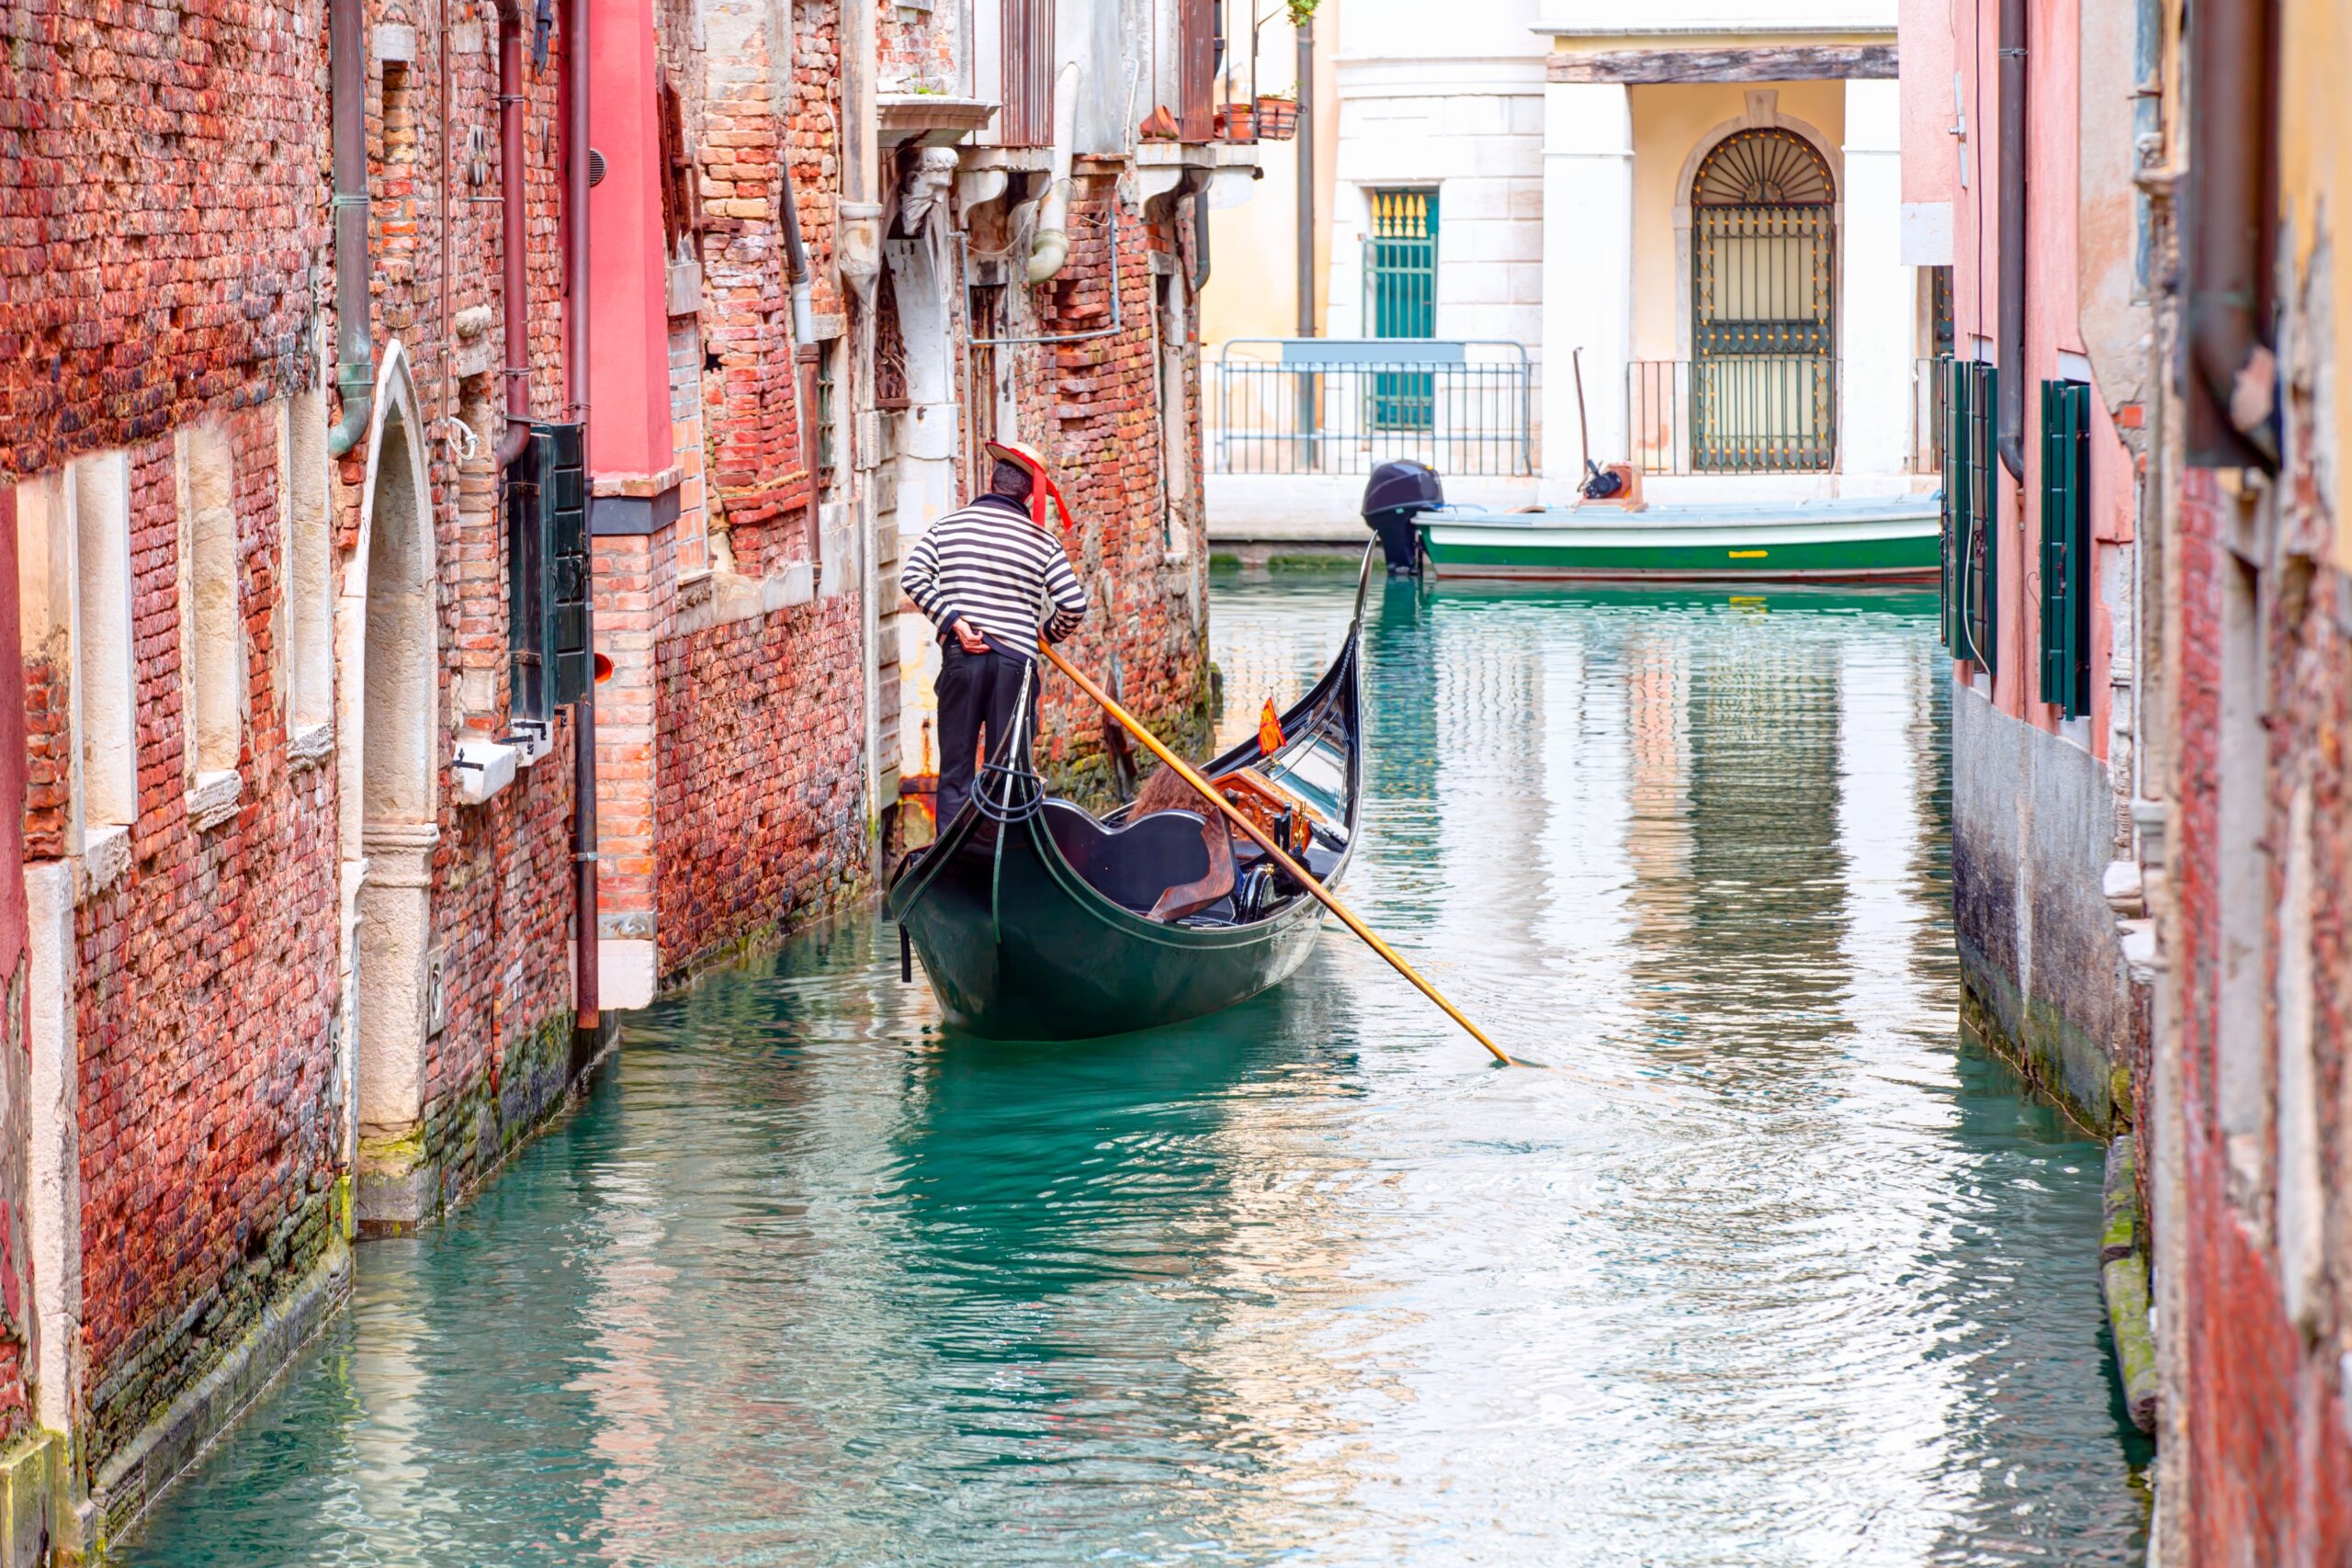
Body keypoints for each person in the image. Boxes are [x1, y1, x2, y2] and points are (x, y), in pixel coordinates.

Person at [901, 439, 1090, 826]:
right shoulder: (1043, 542)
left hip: (961, 660)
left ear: (992, 480)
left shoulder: (947, 527)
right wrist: (1044, 635)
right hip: (1014, 667)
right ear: (1027, 495)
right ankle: (998, 851)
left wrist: (954, 621)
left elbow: (913, 576)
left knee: (955, 770)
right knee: (1007, 774)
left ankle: (951, 860)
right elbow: (1073, 605)